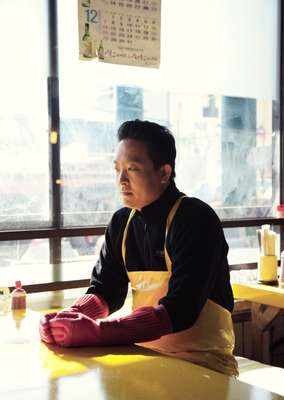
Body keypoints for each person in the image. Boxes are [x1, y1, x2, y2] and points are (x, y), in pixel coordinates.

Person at [39, 119, 238, 376]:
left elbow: (179, 310)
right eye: (117, 169)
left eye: (132, 168)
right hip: (146, 359)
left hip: (205, 366)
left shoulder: (195, 218)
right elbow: (106, 291)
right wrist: (69, 317)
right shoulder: (122, 222)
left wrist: (99, 332)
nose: (121, 180)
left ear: (164, 172)